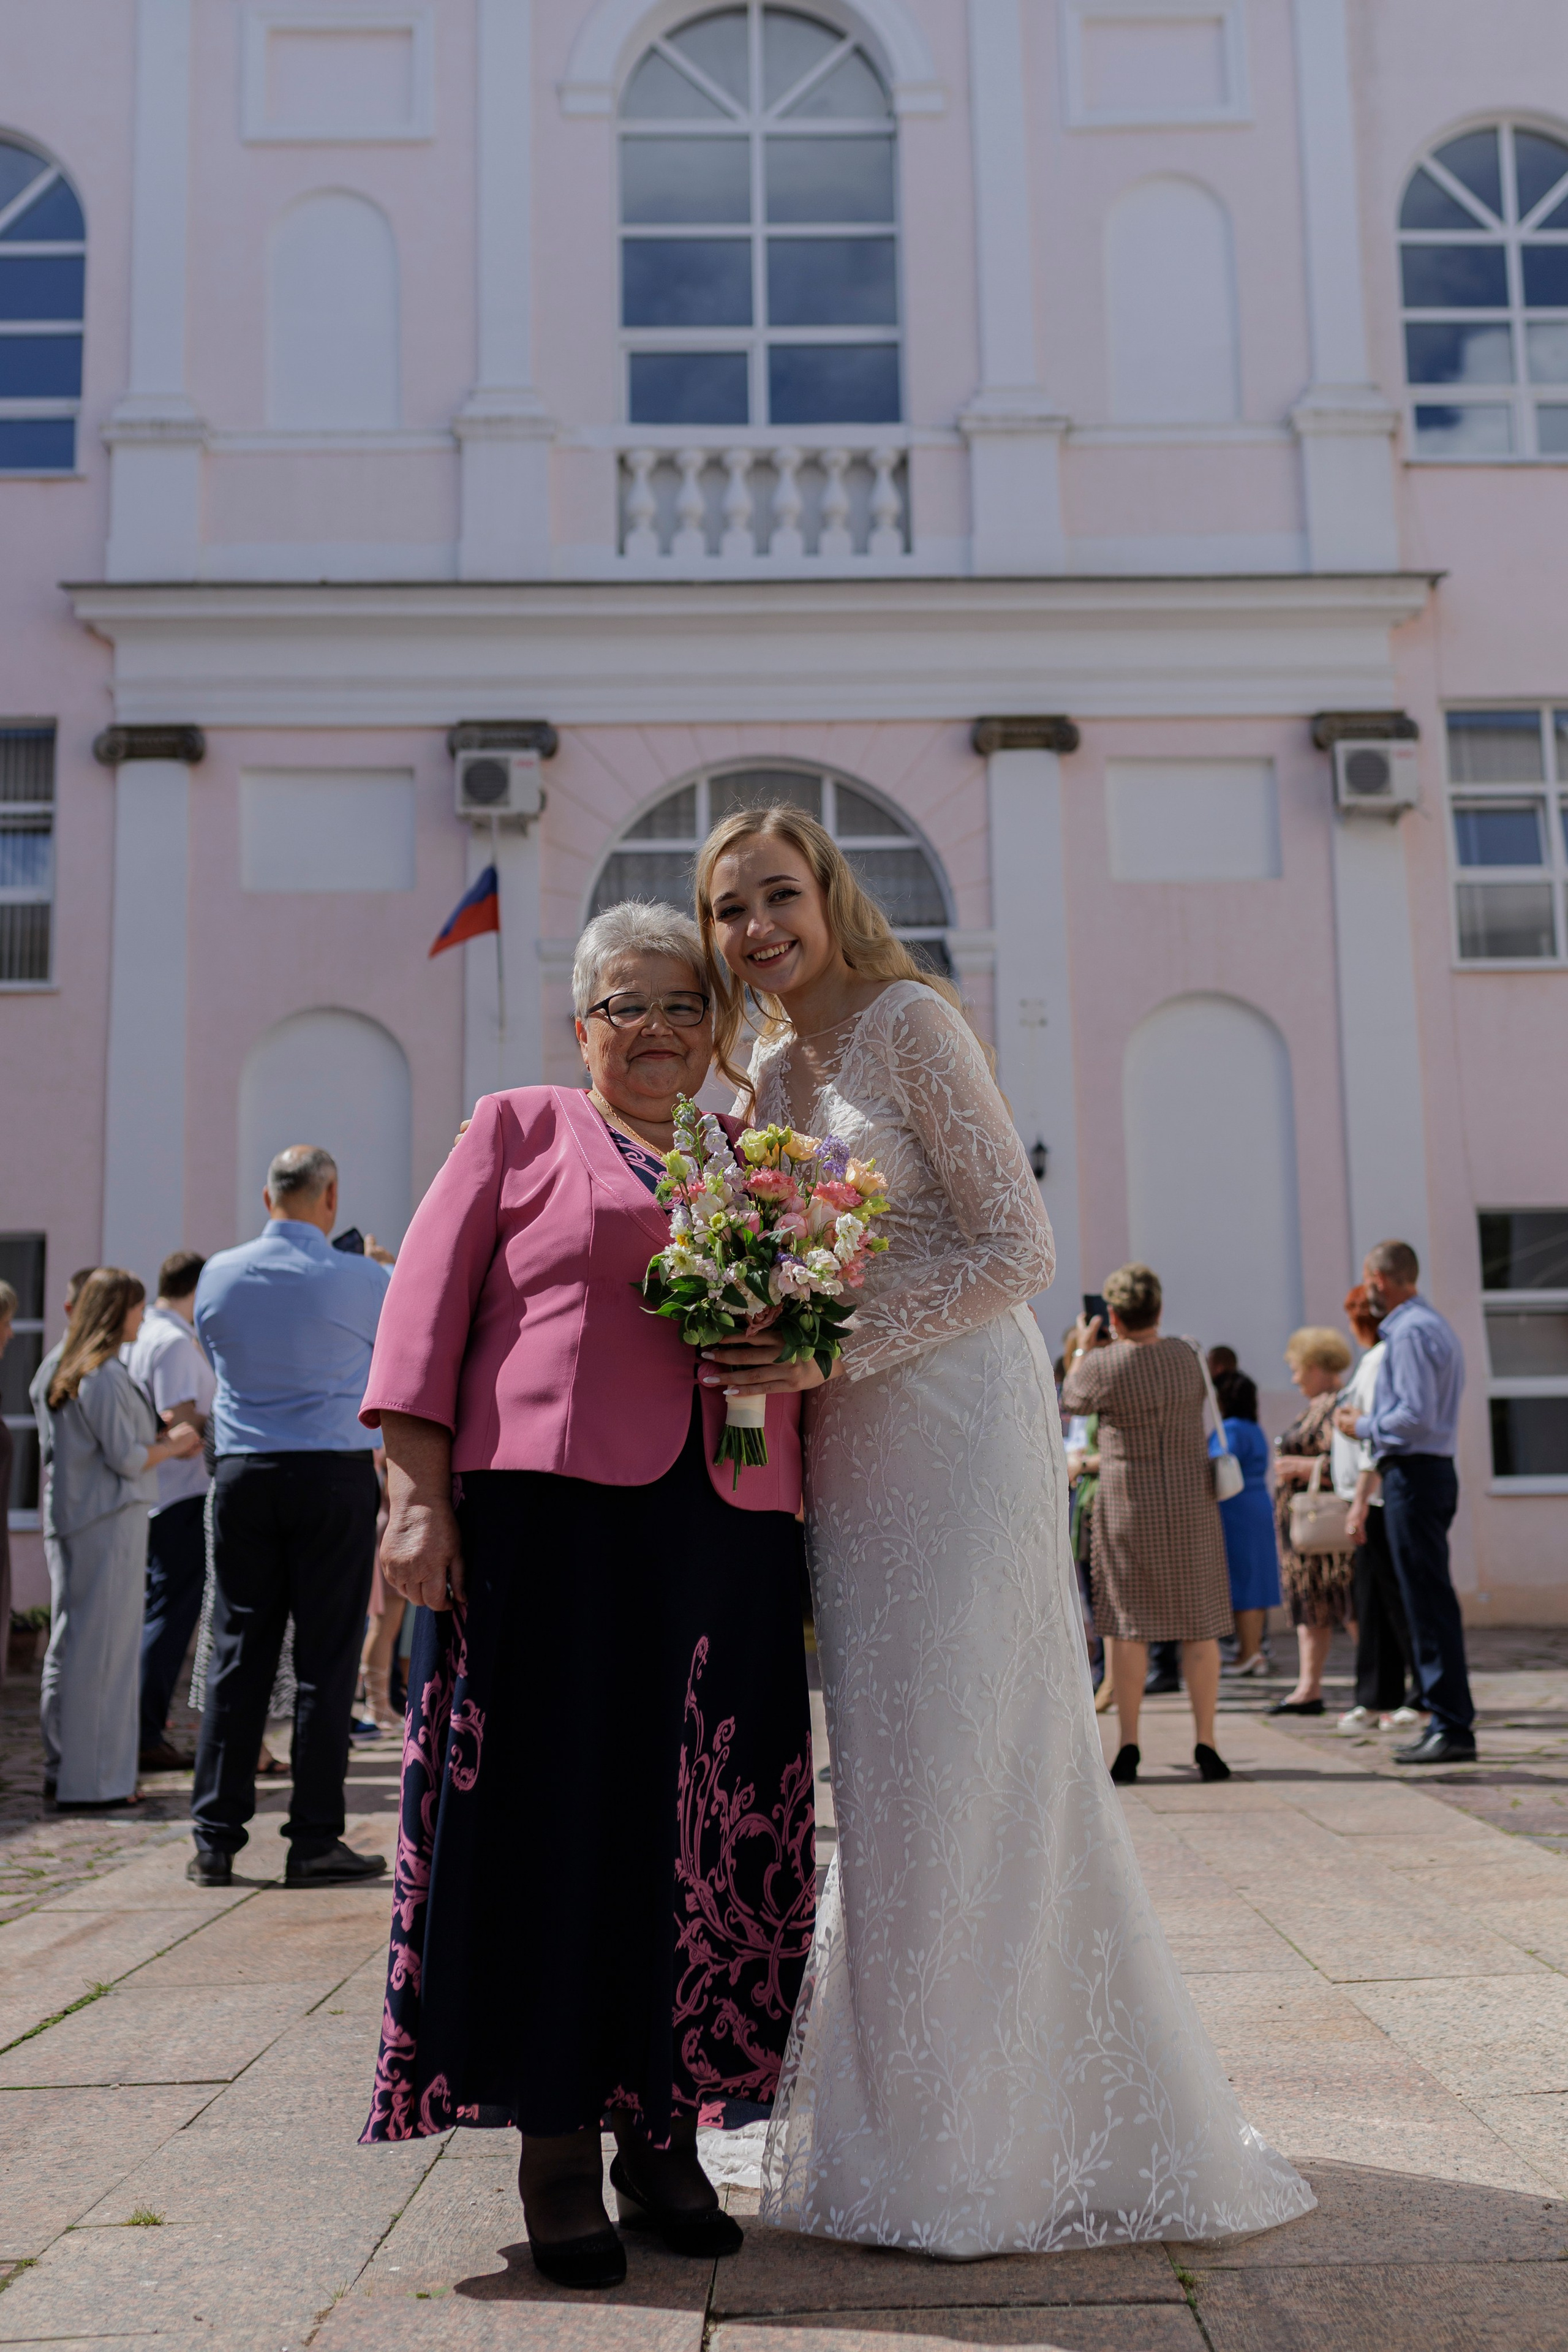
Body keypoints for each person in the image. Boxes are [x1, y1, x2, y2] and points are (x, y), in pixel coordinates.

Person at [694, 807, 1311, 2256]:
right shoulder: (771, 1068)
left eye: (777, 894)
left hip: (954, 1428)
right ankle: (906, 2114)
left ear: (829, 895)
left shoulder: (909, 1022)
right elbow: (793, 1258)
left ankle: (1007, 2125)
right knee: (898, 1763)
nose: (755, 928)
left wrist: (826, 1347)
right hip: (847, 1453)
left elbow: (1017, 1247)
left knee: (981, 1752)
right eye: (729, 909)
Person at [358, 902, 813, 2293]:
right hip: (545, 1530)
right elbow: (420, 1326)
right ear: (580, 1024)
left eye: (684, 1001)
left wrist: (789, 1341)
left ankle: (663, 2133)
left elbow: (814, 1344)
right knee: (553, 1825)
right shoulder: (516, 1129)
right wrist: (416, 1499)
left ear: (715, 1024)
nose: (660, 1026)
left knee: (699, 1833)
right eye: (627, 1004)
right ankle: (554, 2142)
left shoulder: (760, 1160)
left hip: (723, 1530)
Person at [189, 1146, 392, 1888]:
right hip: (333, 1472)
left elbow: (216, 1349)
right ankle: (312, 1837)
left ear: (268, 1197)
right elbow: (391, 1358)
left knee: (239, 1653)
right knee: (326, 1660)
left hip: (245, 1470)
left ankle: (214, 1837)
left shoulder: (219, 1271)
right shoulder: (363, 1277)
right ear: (329, 1197)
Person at [29, 1270, 203, 1808]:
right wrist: (174, 1446)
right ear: (114, 1312)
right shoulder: (98, 1374)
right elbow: (125, 1458)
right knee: (100, 1654)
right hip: (107, 1520)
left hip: (103, 1518)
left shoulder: (89, 1369)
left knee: (87, 1649)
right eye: (134, 1307)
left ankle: (88, 1773)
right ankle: (94, 1782)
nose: (142, 1316)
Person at [1057, 1265, 1234, 1786]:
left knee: (1126, 1626)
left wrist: (1086, 1350)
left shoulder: (1104, 1364)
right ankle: (1207, 1742)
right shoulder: (1190, 1355)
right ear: (1158, 1308)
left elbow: (1071, 1400)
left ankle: (1129, 1744)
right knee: (1200, 1627)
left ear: (1112, 1315)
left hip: (1127, 1503)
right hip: (1190, 1501)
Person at [1334, 1239, 1473, 1765]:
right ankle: (1448, 1718)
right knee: (1428, 1602)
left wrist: (1359, 1424)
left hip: (1414, 1475)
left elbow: (1412, 1417)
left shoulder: (1409, 1333)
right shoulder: (1430, 1325)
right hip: (1426, 1474)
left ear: (1378, 1281)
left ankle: (1452, 1725)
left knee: (1428, 1604)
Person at [123, 1250, 214, 1772]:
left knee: (159, 1612)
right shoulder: (175, 1342)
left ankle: (139, 1726)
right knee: (170, 1616)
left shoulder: (144, 1337)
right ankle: (144, 1730)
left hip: (157, 1495)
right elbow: (180, 1423)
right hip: (180, 1494)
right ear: (196, 1290)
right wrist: (232, 1412)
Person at [1332, 1286, 1419, 1735]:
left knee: (1396, 1602)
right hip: (1367, 1497)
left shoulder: (1382, 1359)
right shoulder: (1371, 1360)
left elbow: (1373, 1439)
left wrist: (1362, 1502)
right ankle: (1375, 1694)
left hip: (1377, 1497)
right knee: (1372, 1603)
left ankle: (1419, 1694)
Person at [1270, 1328, 1356, 1716]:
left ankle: (1379, 1687)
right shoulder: (1316, 1404)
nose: (1294, 1378)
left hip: (1326, 1528)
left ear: (1318, 1366)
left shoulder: (1340, 1404)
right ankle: (1309, 1689)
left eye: (1298, 1368)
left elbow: (1349, 1464)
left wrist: (1301, 1467)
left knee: (1348, 1604)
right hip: (1303, 1530)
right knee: (1310, 1606)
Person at [34, 1267, 96, 1777]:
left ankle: (69, 1749)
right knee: (65, 1637)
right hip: (73, 1514)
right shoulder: (60, 1365)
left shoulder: (72, 1364)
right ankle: (60, 1752)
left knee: (73, 1635)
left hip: (79, 1513)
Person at [1210, 1368, 1280, 1676]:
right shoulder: (1253, 1427)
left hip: (1236, 1509)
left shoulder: (1232, 1430)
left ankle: (1249, 1653)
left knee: (1244, 1581)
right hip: (1258, 1504)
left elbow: (1217, 1463)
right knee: (1257, 1579)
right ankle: (1253, 1651)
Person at [1060, 1316, 1114, 1711]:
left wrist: (1084, 1463)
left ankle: (1108, 1676)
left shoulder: (1108, 1386)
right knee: (1080, 1595)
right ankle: (1095, 1672)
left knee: (1099, 1595)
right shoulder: (1069, 1389)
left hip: (1093, 1497)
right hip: (1071, 1499)